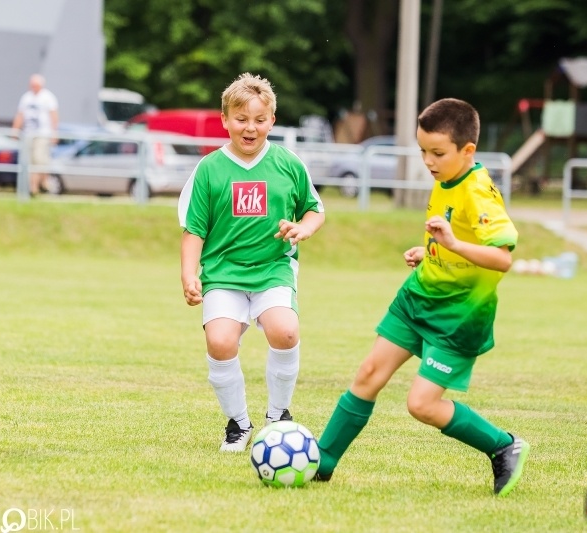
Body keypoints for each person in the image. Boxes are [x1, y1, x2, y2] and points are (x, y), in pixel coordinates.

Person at [314, 98, 530, 496]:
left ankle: (503, 445)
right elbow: (447, 235)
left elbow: (501, 259)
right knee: (368, 375)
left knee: (422, 405)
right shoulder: (446, 177)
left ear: (468, 151)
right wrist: (428, 250)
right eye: (422, 151)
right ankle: (322, 463)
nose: (428, 161)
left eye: (437, 153)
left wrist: (451, 243)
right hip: (418, 298)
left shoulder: (479, 192)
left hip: (459, 316)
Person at [178, 73, 325, 452]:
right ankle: (238, 424)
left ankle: (277, 417)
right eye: (241, 119)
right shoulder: (209, 169)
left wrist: (303, 229)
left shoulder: (289, 164)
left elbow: (314, 210)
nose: (250, 127)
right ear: (225, 119)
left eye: (260, 120)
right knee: (220, 341)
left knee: (285, 331)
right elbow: (194, 229)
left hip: (273, 268)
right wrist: (189, 273)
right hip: (223, 274)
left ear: (272, 121)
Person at [11, 74, 59, 196]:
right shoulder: (26, 98)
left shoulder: (48, 97)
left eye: (36, 85)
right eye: (32, 85)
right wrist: (15, 130)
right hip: (28, 134)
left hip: (43, 133)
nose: (34, 87)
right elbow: (20, 115)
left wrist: (54, 132)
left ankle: (43, 182)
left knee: (39, 159)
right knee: (29, 162)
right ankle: (33, 188)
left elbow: (53, 115)